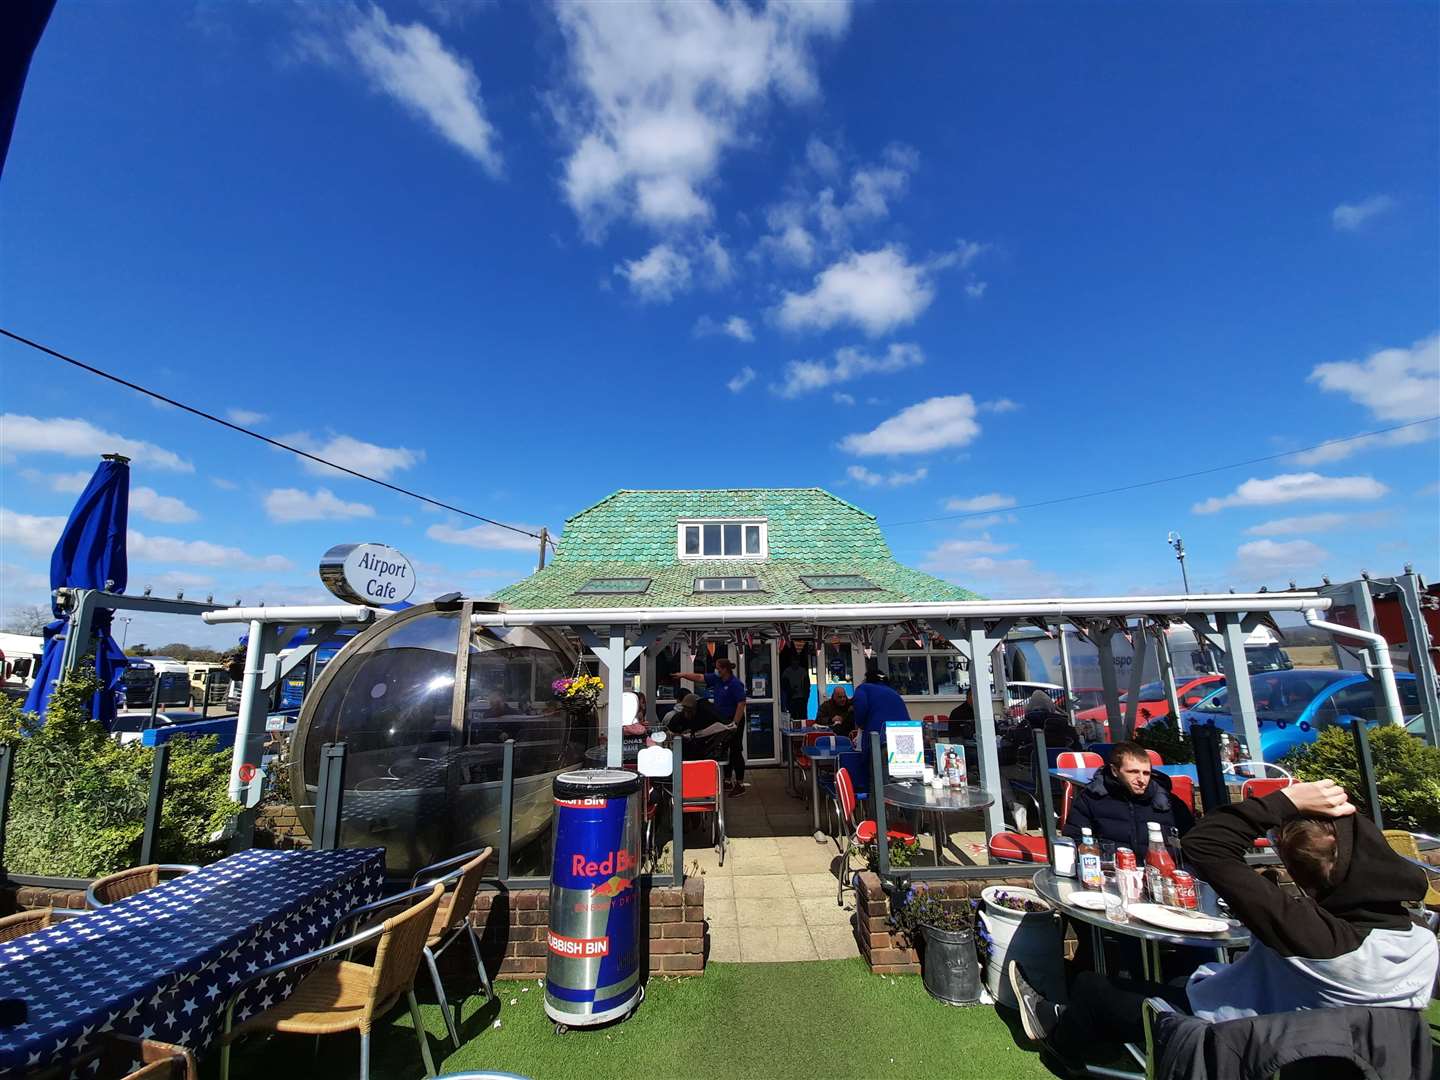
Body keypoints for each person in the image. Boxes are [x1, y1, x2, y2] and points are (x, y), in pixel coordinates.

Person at [1009, 779, 1440, 1073]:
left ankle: (1059, 1044)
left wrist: (1286, 800)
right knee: (1182, 972)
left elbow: (1205, 844)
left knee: (1092, 988)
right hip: (1337, 1059)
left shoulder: (1312, 935)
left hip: (1230, 1042)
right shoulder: (1422, 943)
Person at [1063, 741, 1194, 855]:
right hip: (1109, 873)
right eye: (1133, 772)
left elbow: (1192, 844)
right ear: (1114, 771)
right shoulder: (1091, 799)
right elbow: (1075, 839)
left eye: (1146, 773)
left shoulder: (1168, 802)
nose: (1141, 780)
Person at [674, 658, 747, 797]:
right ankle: (726, 780)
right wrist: (683, 675)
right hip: (722, 720)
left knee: (736, 750)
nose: (716, 670)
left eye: (718, 668)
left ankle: (740, 783)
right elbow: (699, 677)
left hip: (734, 719)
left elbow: (741, 704)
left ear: (725, 669)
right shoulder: (717, 679)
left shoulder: (735, 684)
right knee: (724, 748)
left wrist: (735, 723)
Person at [851, 667, 910, 786]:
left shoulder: (863, 688)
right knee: (904, 781)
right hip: (907, 737)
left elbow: (860, 711)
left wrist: (861, 724)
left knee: (880, 784)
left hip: (881, 739)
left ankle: (882, 804)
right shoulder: (893, 692)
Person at [779, 641, 812, 723]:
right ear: (791, 661)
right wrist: (790, 692)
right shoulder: (787, 671)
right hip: (791, 699)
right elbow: (784, 684)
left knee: (802, 718)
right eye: (793, 660)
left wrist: (805, 697)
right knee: (792, 718)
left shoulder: (803, 671)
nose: (795, 662)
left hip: (801, 699)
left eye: (796, 660)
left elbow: (807, 684)